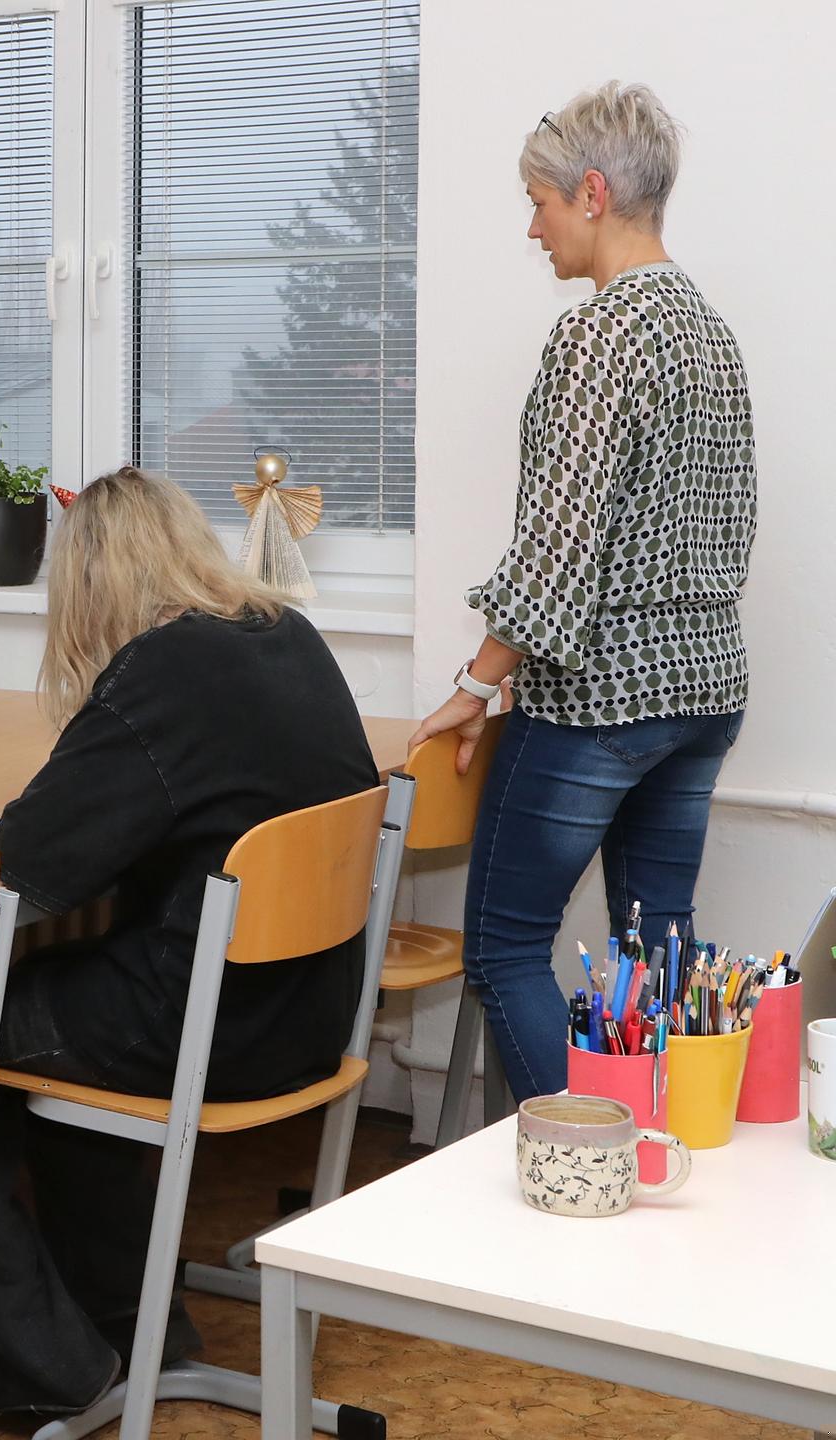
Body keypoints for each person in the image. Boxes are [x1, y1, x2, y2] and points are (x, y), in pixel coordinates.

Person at [0, 466, 378, 1417]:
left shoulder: (162, 672)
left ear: (92, 577)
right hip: (310, 1011)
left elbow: (34, 859)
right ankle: (137, 1331)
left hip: (205, 1025)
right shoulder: (284, 633)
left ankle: (52, 1369)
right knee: (58, 1027)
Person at [408, 82, 755, 1102]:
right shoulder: (709, 330)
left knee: (504, 949)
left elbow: (558, 553)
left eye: (541, 203)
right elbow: (715, 526)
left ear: (592, 194)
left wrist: (476, 684)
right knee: (660, 952)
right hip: (705, 690)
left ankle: (586, 1173)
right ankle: (671, 1155)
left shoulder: (598, 335)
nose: (534, 229)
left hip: (602, 704)